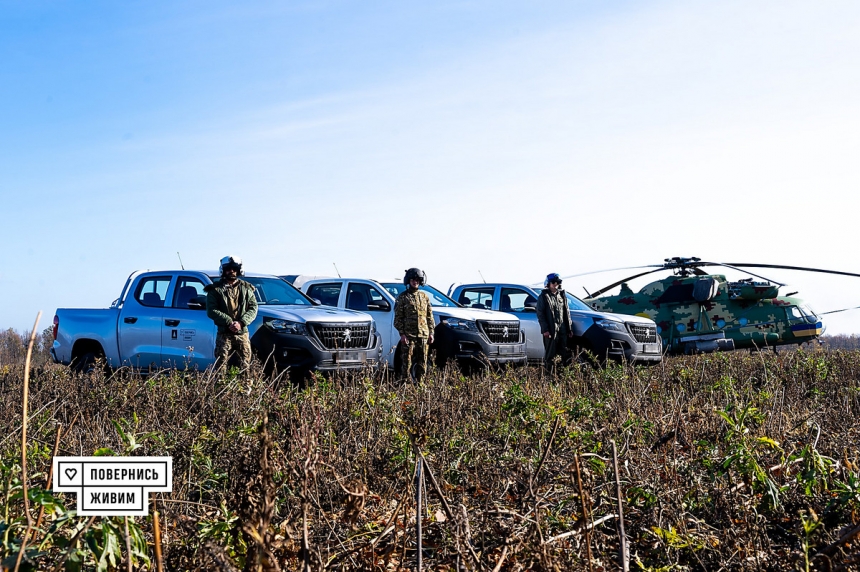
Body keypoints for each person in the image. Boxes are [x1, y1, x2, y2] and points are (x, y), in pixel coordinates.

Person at [205, 255, 258, 372]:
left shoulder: (247, 289)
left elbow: (253, 308)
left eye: (234, 268)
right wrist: (229, 322)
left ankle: (246, 389)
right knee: (221, 366)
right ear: (223, 270)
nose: (231, 271)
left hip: (242, 333)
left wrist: (241, 322)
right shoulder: (215, 290)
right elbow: (211, 310)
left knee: (245, 366)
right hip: (224, 333)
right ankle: (221, 389)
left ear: (239, 270)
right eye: (228, 268)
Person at [393, 268, 434, 382]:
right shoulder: (403, 297)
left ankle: (420, 384)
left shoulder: (424, 297)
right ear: (408, 281)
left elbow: (430, 316)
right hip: (408, 335)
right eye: (412, 280)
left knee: (423, 361)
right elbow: (398, 319)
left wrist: (431, 333)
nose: (415, 282)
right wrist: (402, 334)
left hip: (423, 335)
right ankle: (405, 385)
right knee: (406, 362)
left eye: (417, 280)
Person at [536, 272, 573, 374]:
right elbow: (540, 314)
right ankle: (549, 377)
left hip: (563, 329)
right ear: (548, 283)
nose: (555, 284)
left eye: (558, 282)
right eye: (553, 282)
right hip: (551, 330)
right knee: (550, 356)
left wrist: (569, 328)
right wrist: (545, 330)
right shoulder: (543, 297)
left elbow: (567, 313)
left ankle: (562, 376)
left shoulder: (561, 296)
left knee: (564, 353)